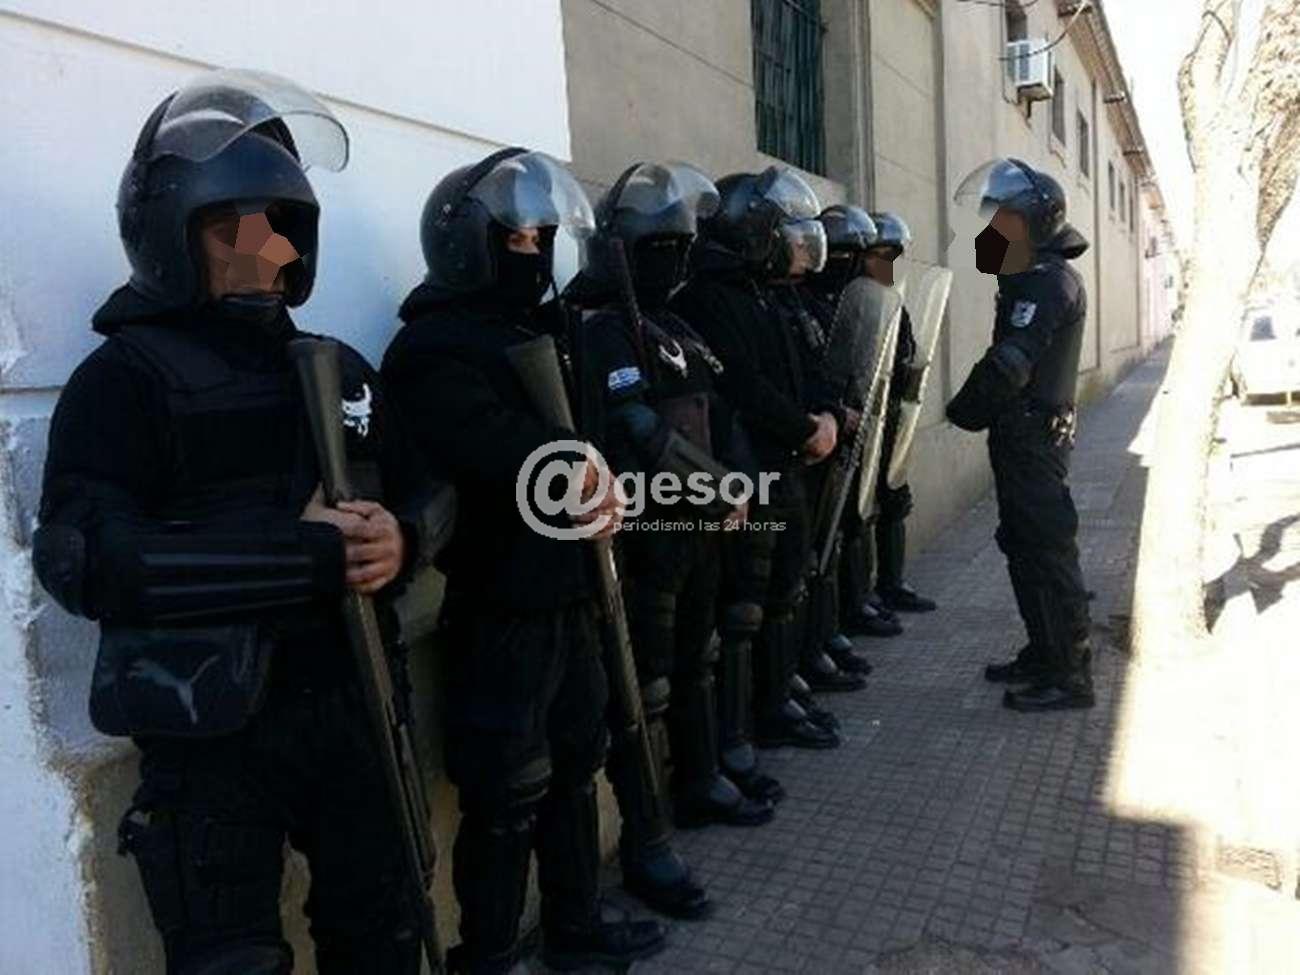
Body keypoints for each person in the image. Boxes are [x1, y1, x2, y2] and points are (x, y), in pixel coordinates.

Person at [32, 69, 451, 975]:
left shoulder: (339, 367)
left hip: (353, 704)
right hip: (211, 731)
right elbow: (84, 559)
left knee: (384, 933)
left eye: (279, 224)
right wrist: (304, 557)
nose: (266, 249)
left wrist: (405, 538)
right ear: (171, 234)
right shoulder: (124, 379)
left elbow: (430, 487)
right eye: (234, 227)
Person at [380, 148, 666, 974]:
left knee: (576, 764)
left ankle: (574, 925)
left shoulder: (546, 331)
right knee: (505, 791)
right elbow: (489, 444)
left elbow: (591, 433)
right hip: (501, 605)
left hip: (573, 591)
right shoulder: (432, 345)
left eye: (543, 236)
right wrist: (571, 467)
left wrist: (609, 484)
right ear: (467, 242)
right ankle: (492, 951)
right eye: (517, 237)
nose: (535, 252)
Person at [565, 161, 775, 921]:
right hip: (649, 534)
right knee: (644, 686)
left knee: (700, 658)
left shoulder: (675, 324)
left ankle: (701, 776)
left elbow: (721, 409)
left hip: (700, 532)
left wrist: (738, 483)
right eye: (660, 248)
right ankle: (646, 840)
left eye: (680, 247)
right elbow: (636, 428)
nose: (675, 260)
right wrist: (718, 488)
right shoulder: (601, 329)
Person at [673, 166, 842, 754]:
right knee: (747, 600)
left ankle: (777, 695)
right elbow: (743, 386)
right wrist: (805, 428)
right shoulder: (706, 298)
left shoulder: (765, 294)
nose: (796, 249)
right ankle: (749, 721)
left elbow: (803, 370)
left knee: (784, 585)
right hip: (751, 470)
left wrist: (825, 415)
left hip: (786, 462)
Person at [947, 157, 1095, 712]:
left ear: (1033, 224)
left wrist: (963, 410)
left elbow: (1012, 362)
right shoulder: (1028, 278)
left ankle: (1071, 675)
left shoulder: (1049, 281)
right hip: (1019, 437)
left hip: (1036, 438)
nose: (991, 232)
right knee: (1022, 547)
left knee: (1049, 550)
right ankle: (1044, 651)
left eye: (1002, 222)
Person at [801, 204, 883, 677]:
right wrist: (829, 414)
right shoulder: (806, 304)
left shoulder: (846, 302)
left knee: (839, 535)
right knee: (813, 548)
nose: (851, 263)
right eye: (845, 253)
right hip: (813, 439)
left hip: (848, 430)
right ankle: (812, 646)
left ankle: (831, 627)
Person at [863, 212, 939, 616]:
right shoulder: (852, 300)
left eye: (894, 256)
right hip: (860, 421)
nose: (888, 264)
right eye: (881, 255)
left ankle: (892, 583)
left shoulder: (895, 301)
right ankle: (860, 598)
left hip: (892, 418)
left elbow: (907, 350)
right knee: (859, 510)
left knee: (895, 500)